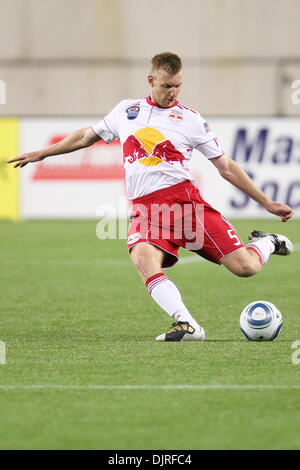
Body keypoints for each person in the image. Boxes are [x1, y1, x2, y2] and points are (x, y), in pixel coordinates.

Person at [7, 52, 294, 342]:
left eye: (178, 85)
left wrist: (267, 203)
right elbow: (86, 136)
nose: (173, 92)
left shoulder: (191, 120)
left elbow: (226, 167)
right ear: (151, 80)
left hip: (185, 204)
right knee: (144, 259)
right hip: (145, 209)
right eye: (167, 85)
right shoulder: (125, 111)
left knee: (246, 268)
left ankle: (266, 242)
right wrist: (42, 153)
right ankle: (187, 324)